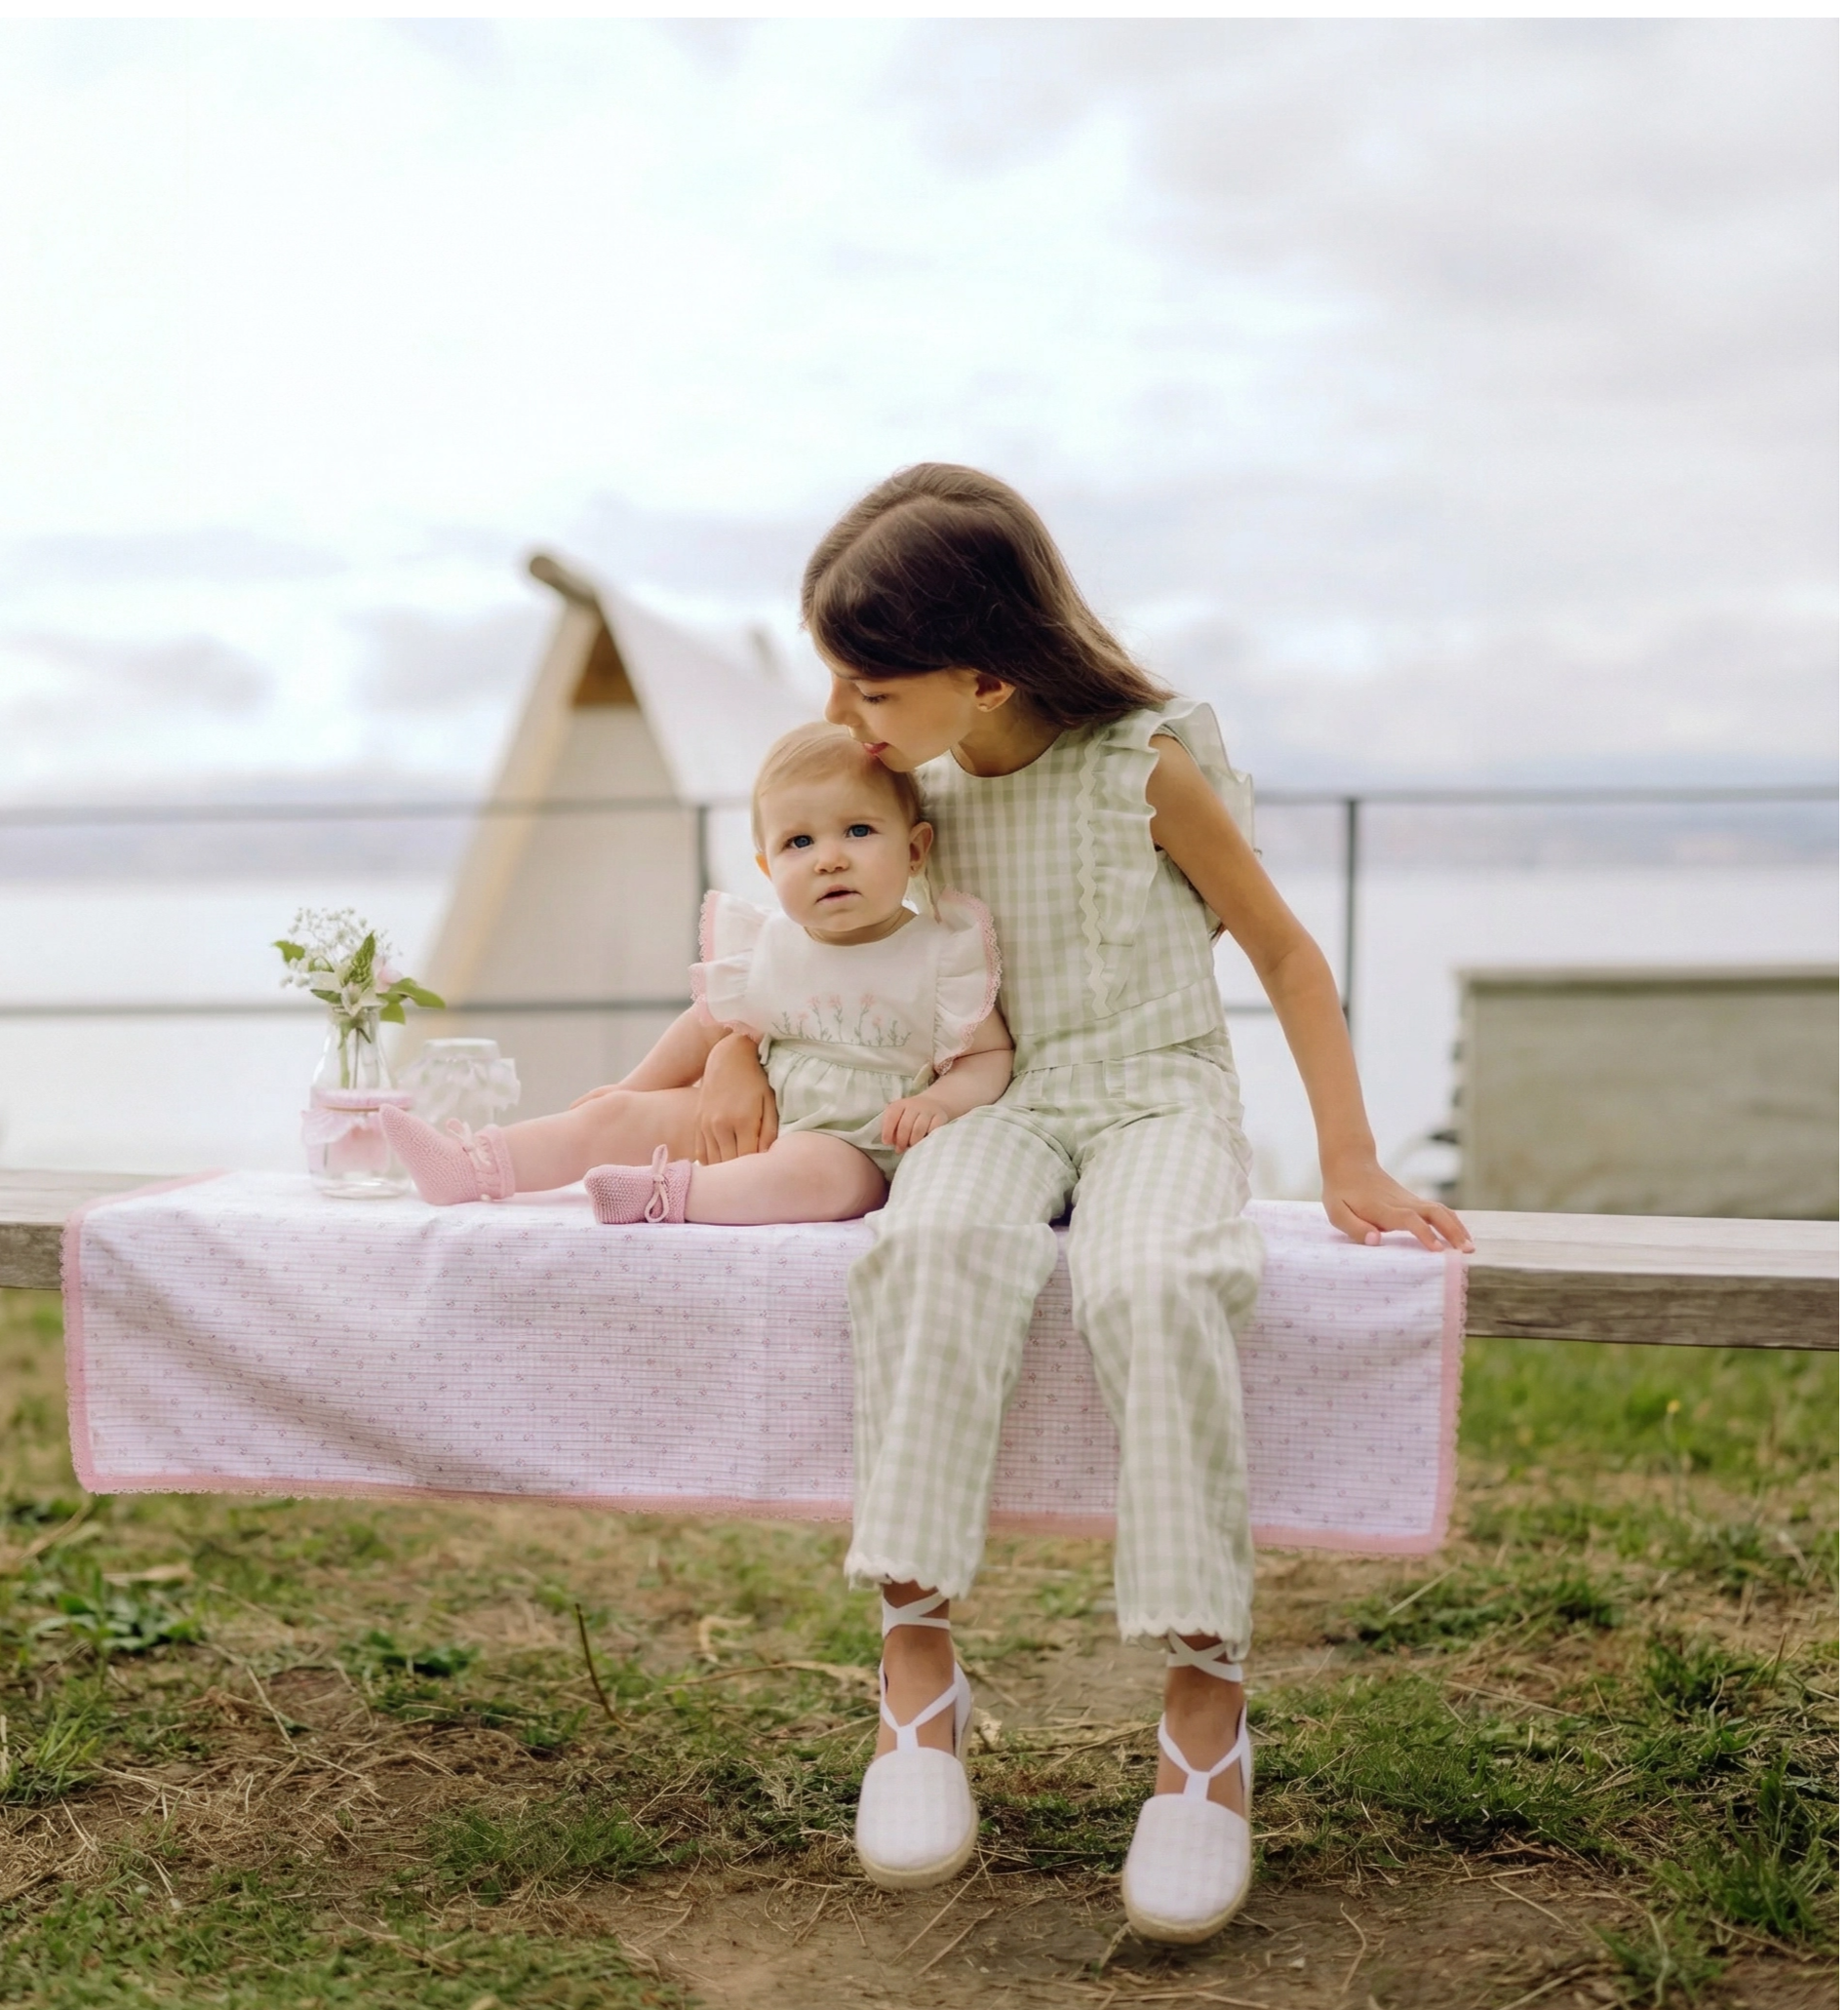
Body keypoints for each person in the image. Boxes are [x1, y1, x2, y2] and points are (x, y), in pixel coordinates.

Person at [692, 465, 1473, 1941]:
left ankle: (1204, 1712)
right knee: (929, 1247)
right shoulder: (906, 786)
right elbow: (786, 938)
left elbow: (1290, 958)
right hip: (992, 1098)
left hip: (1158, 1092)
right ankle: (915, 1666)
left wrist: (1352, 1159)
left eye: (869, 688)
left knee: (1158, 1281)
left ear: (981, 673)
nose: (846, 723)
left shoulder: (1142, 769)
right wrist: (736, 1045)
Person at [383, 721, 1012, 1226]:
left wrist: (938, 1101)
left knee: (814, 1181)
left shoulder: (938, 953)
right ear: (767, 869)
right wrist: (633, 1087)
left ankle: (665, 1195)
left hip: (857, 1142)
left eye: (858, 830)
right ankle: (473, 1165)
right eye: (800, 843)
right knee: (612, 1120)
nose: (830, 859)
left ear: (913, 849)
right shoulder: (770, 945)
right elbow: (707, 1024)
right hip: (752, 1108)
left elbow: (989, 1057)